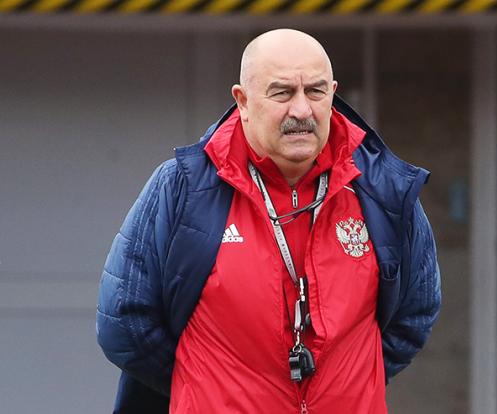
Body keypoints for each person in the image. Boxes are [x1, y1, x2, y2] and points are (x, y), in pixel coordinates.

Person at [97, 28, 441, 414]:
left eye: (315, 91)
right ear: (243, 101)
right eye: (282, 93)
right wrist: (204, 383)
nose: (302, 110)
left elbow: (414, 315)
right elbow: (124, 321)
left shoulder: (382, 189)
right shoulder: (182, 187)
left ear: (333, 93)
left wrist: (347, 380)